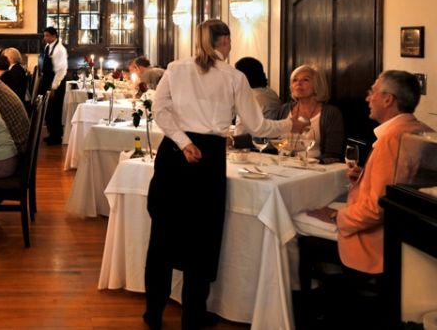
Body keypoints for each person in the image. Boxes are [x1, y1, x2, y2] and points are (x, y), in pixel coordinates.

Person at [144, 19, 309, 330]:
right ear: (224, 41)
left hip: (174, 153)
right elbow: (258, 126)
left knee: (163, 233)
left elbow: (160, 111)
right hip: (207, 157)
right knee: (202, 238)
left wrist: (183, 142)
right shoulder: (234, 77)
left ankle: (153, 312)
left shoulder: (176, 68)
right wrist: (292, 124)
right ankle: (192, 316)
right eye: (229, 41)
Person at [307, 70, 432, 275]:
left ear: (388, 99)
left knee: (297, 218)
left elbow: (377, 208)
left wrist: (336, 216)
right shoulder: (421, 130)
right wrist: (365, 176)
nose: (367, 98)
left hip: (376, 242)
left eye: (372, 92)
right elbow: (400, 183)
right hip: (407, 232)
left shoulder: (391, 140)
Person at [271, 64, 345, 163]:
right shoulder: (284, 109)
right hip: (282, 164)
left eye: (305, 80)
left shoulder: (331, 113)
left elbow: (332, 153)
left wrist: (309, 163)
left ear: (317, 85)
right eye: (295, 80)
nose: (298, 83)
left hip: (314, 167)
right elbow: (273, 141)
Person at [39, 26, 68, 145]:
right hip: (47, 81)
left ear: (54, 36)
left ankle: (56, 136)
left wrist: (53, 87)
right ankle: (51, 133)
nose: (45, 38)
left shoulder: (59, 50)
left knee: (55, 110)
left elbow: (60, 70)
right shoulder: (48, 46)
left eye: (47, 35)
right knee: (48, 110)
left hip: (56, 84)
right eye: (44, 35)